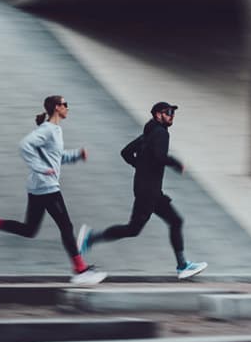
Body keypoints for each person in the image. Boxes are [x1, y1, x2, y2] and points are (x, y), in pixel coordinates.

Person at [0, 95, 106, 285]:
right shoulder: (48, 129)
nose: (68, 108)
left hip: (39, 186)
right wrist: (40, 167)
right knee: (66, 227)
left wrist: (76, 155)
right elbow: (24, 145)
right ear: (57, 107)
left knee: (29, 229)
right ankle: (80, 270)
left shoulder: (54, 130)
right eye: (65, 105)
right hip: (46, 186)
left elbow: (56, 157)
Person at [76, 101, 207, 281]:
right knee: (134, 229)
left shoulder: (148, 133)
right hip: (149, 191)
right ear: (157, 115)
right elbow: (159, 157)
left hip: (148, 189)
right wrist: (176, 164)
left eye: (173, 113)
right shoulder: (160, 133)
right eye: (168, 112)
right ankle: (90, 239)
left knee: (174, 221)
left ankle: (183, 265)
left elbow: (126, 152)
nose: (171, 116)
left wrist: (141, 166)